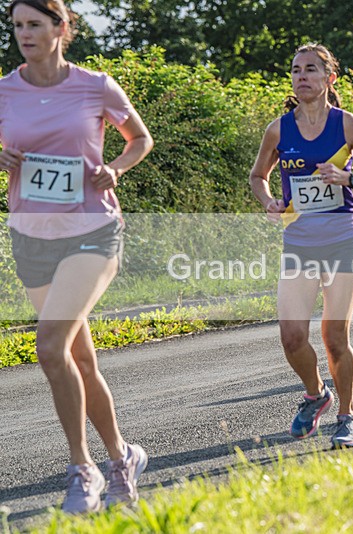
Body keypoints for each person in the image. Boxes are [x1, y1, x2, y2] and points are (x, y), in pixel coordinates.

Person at [0, 0, 153, 514]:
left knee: (48, 347)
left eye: (34, 24)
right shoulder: (5, 91)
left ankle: (81, 468)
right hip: (31, 235)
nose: (24, 33)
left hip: (93, 230)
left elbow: (140, 139)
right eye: (17, 25)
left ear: (61, 28)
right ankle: (122, 456)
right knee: (79, 360)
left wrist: (114, 169)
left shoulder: (96, 86)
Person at [249, 43, 353, 448]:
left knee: (334, 337)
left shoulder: (347, 125)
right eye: (296, 70)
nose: (301, 77)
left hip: (343, 237)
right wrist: (269, 202)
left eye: (311, 69)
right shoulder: (279, 128)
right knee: (291, 337)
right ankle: (316, 394)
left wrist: (349, 179)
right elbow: (258, 176)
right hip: (299, 241)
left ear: (330, 78)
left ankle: (348, 418)